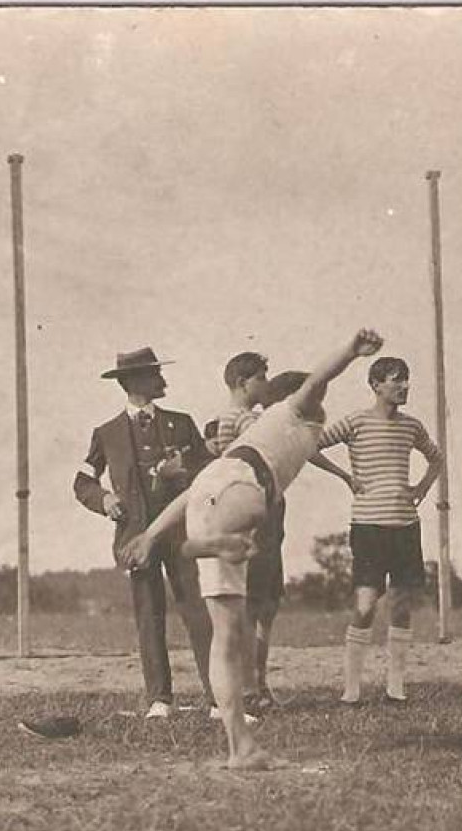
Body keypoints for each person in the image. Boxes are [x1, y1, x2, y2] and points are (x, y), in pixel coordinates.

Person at [121, 328, 387, 768]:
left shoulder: (267, 433)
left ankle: (239, 747)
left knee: (227, 637)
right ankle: (208, 542)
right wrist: (351, 352)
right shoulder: (293, 414)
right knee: (260, 503)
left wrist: (152, 535)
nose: (322, 408)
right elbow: (318, 381)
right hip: (238, 489)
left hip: (207, 497)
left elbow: (191, 494)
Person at [72, 347, 215, 719]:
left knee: (198, 611)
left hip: (182, 533)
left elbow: (207, 467)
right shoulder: (106, 434)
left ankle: (219, 699)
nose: (162, 380)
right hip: (136, 539)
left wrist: (182, 468)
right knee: (149, 615)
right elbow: (82, 482)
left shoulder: (182, 423)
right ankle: (159, 700)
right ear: (132, 382)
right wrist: (104, 500)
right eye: (154, 374)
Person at [209, 351, 353, 713]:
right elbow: (283, 448)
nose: (265, 383)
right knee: (250, 603)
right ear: (243, 382)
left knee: (265, 602)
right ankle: (249, 687)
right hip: (250, 512)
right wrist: (341, 473)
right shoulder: (238, 419)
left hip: (268, 511)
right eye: (261, 377)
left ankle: (258, 684)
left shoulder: (251, 418)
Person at [317, 357, 446, 705]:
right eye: (395, 380)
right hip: (369, 526)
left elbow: (437, 458)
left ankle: (396, 688)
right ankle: (352, 690)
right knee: (365, 604)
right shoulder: (355, 422)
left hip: (405, 525)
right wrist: (345, 476)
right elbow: (311, 446)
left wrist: (421, 488)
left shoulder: (412, 426)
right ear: (375, 384)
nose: (403, 386)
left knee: (402, 605)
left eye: (407, 380)